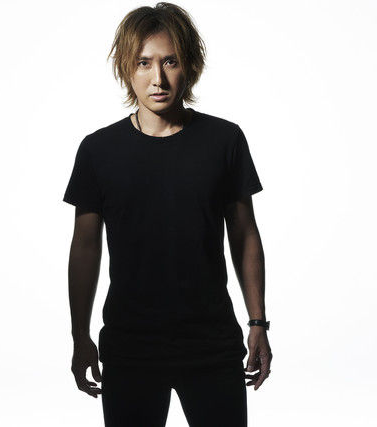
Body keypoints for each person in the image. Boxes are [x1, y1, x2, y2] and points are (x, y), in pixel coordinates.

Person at [63, 3, 272, 426]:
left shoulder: (224, 140)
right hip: (130, 346)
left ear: (189, 65)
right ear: (127, 68)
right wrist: (79, 335)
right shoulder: (98, 150)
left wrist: (258, 323)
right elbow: (85, 247)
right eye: (144, 62)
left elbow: (245, 234)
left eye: (170, 61)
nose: (157, 78)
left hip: (211, 342)